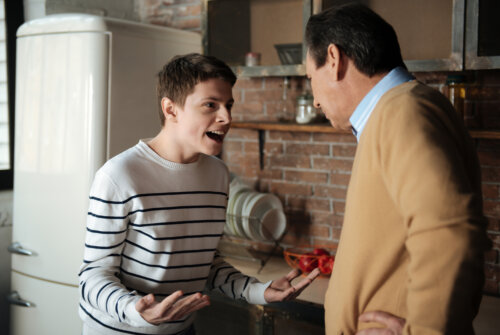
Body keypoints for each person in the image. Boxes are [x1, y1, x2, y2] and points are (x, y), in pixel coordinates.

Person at [78, 53, 320, 335]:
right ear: (171, 110)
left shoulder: (218, 176)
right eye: (210, 105)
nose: (226, 117)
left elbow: (206, 263)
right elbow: (93, 275)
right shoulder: (119, 176)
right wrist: (135, 310)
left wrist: (257, 291)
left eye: (228, 105)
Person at [305, 4, 491, 335]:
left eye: (310, 78)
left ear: (333, 59)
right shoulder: (399, 109)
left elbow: (449, 231)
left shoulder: (402, 110)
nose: (315, 101)